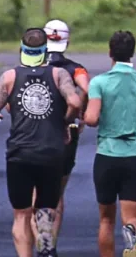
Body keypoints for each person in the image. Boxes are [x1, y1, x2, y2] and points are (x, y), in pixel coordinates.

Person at [0, 28, 86, 257]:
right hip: (52, 152)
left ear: (22, 49)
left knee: (21, 213)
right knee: (47, 208)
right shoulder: (59, 75)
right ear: (45, 51)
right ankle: (46, 242)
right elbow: (76, 101)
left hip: (20, 153)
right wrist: (64, 122)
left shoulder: (10, 77)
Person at [85, 30, 136, 257]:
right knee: (131, 217)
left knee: (106, 219)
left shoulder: (99, 82)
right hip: (133, 156)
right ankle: (131, 232)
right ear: (133, 53)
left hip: (106, 155)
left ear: (110, 52)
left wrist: (102, 115)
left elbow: (91, 118)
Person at [45, 18, 92, 253]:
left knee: (38, 192)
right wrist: (78, 112)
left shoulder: (33, 66)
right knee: (57, 193)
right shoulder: (76, 69)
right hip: (66, 132)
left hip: (37, 133)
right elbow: (86, 88)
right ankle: (51, 244)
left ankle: (41, 243)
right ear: (67, 41)